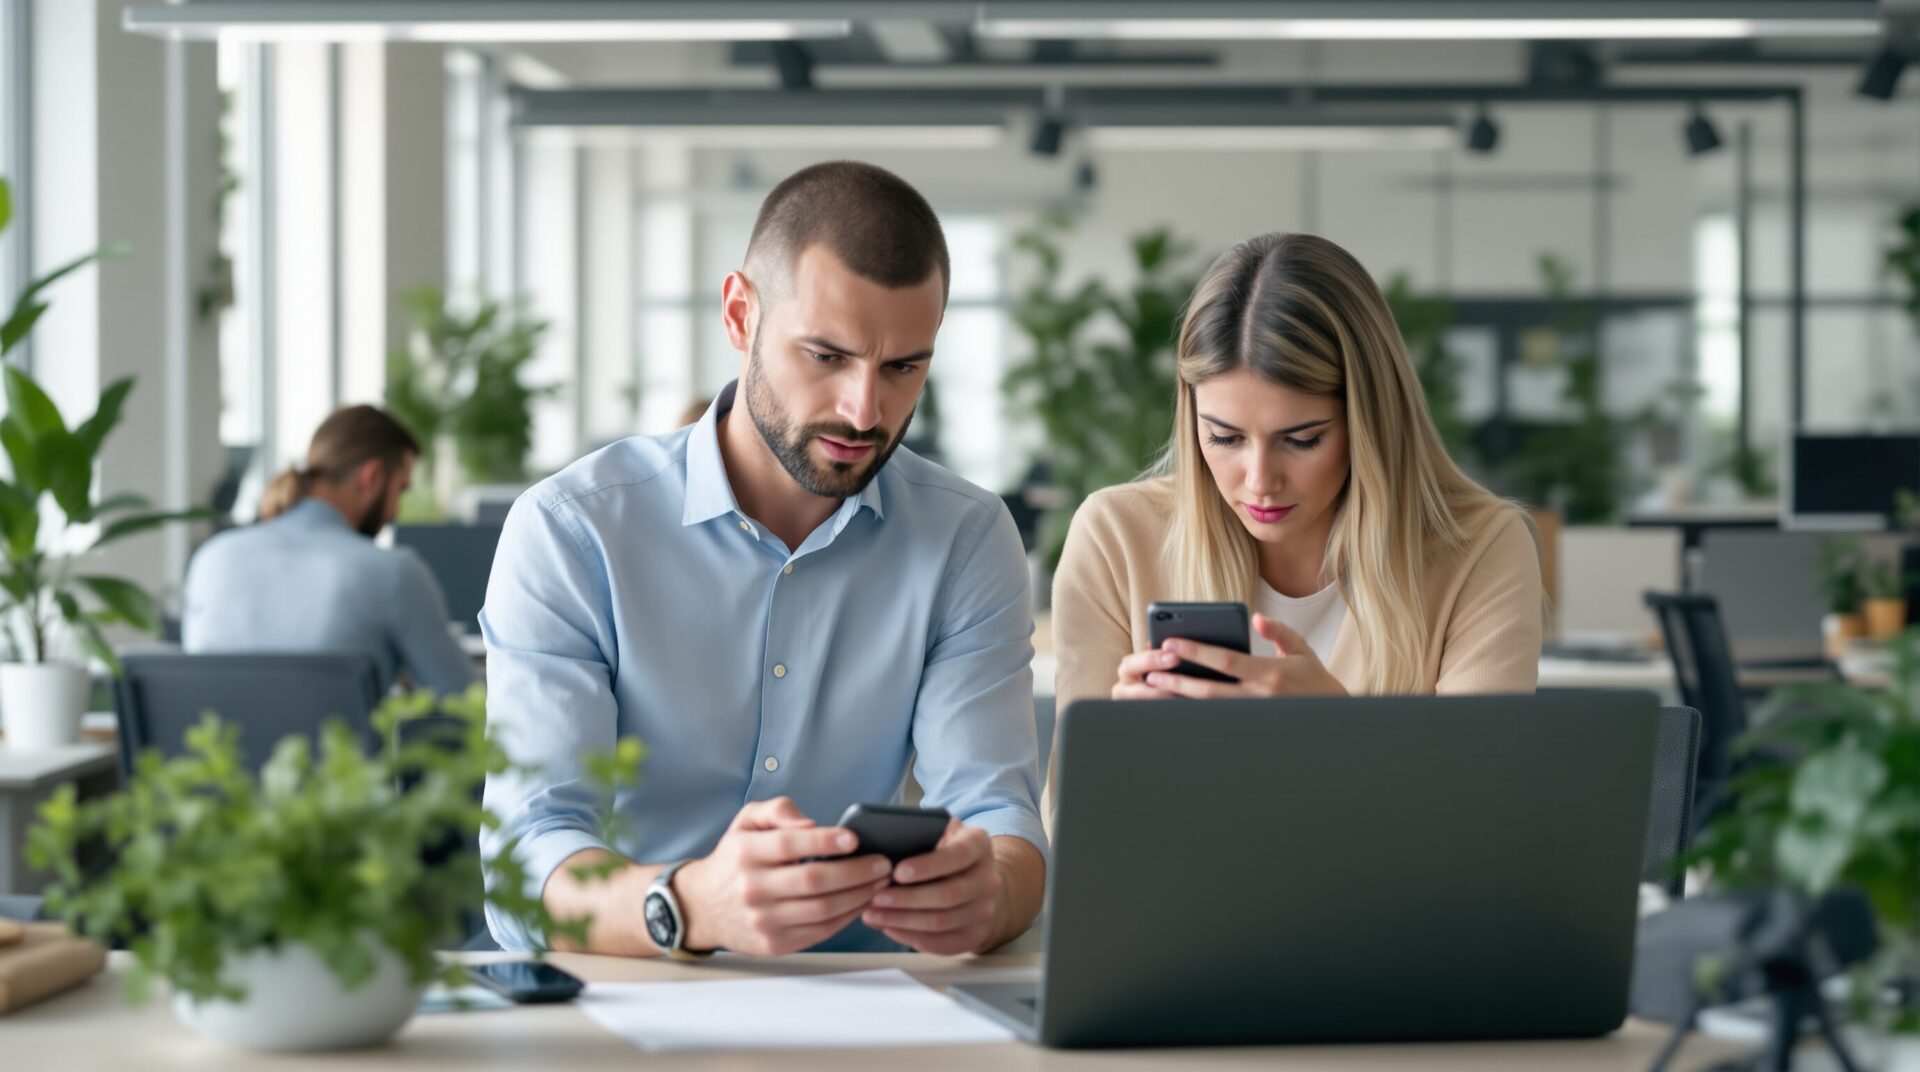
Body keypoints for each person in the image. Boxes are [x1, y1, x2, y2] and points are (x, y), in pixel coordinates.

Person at [481, 161, 1046, 959]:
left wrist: (991, 894)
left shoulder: (965, 537)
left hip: (867, 1010)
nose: (865, 409)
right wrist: (688, 907)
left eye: (902, 368)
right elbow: (526, 863)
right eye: (826, 355)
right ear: (741, 315)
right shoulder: (573, 532)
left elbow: (1002, 819)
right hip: (626, 996)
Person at [1049, 232, 1544, 809]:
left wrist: (1338, 736)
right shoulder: (1116, 537)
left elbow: (1480, 816)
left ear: (1372, 421)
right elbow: (1071, 824)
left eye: (1302, 439)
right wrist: (1128, 757)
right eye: (1224, 437)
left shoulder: (1480, 548)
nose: (1259, 480)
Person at [181, 405, 476, 697]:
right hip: (339, 746)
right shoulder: (393, 573)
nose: (395, 512)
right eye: (400, 489)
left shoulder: (211, 559)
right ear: (371, 477)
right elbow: (471, 706)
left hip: (218, 746)